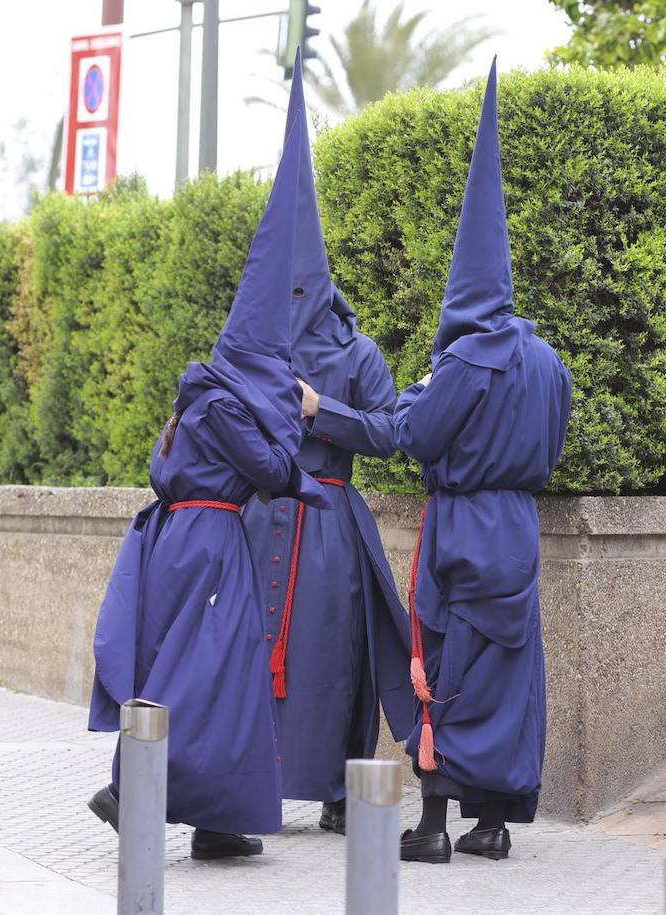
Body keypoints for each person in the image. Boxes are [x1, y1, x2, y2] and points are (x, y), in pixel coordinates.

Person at [84, 105, 326, 860]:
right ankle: (132, 788)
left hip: (187, 539)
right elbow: (272, 471)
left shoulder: (207, 393)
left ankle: (219, 819)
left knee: (221, 674)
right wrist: (296, 423)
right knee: (201, 673)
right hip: (209, 540)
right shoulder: (225, 400)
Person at [392, 60, 573, 865]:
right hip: (518, 527)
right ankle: (493, 821)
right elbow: (556, 444)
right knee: (509, 672)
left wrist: (403, 399)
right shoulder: (551, 363)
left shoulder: (466, 359)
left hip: (463, 524)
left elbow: (417, 434)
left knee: (444, 660)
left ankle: (433, 823)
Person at [240, 51, 413, 836]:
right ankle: (245, 785)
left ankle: (340, 791)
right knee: (248, 651)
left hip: (332, 522)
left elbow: (392, 432)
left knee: (334, 658)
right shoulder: (253, 345)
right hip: (258, 518)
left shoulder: (358, 353)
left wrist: (322, 410)